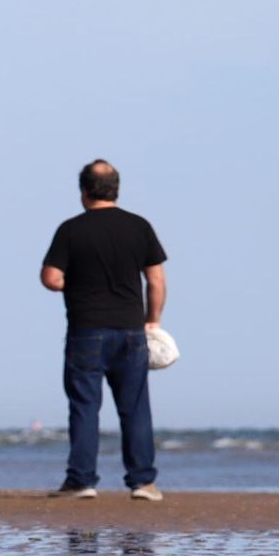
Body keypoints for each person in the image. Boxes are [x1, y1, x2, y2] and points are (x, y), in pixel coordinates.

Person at [40, 160, 168, 501]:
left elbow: (51, 277)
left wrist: (74, 283)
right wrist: (153, 320)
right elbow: (156, 280)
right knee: (135, 408)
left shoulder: (71, 229)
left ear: (83, 191)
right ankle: (143, 482)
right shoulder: (139, 226)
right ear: (117, 189)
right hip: (131, 329)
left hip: (86, 329)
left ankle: (81, 480)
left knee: (85, 406)